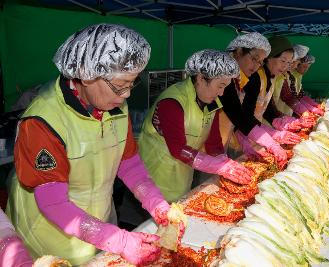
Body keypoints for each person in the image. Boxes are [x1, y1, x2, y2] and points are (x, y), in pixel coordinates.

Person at [6, 23, 173, 266]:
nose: (127, 94)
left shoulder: (116, 106)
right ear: (86, 74)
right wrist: (119, 241)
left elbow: (127, 163)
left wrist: (156, 203)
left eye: (132, 83)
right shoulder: (43, 122)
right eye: (121, 85)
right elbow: (54, 204)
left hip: (98, 231)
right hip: (49, 241)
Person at [138, 49, 253, 202]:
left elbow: (213, 143)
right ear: (200, 78)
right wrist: (218, 166)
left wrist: (223, 160)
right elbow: (178, 149)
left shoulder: (211, 104)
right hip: (153, 184)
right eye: (220, 86)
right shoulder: (172, 102)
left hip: (181, 180)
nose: (221, 93)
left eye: (225, 87)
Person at [219, 33, 299, 164]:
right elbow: (238, 112)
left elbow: (242, 113)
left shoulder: (239, 78)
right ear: (238, 51)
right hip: (208, 146)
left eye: (259, 62)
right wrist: (270, 138)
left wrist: (279, 122)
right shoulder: (228, 78)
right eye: (254, 59)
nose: (256, 66)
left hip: (227, 140)